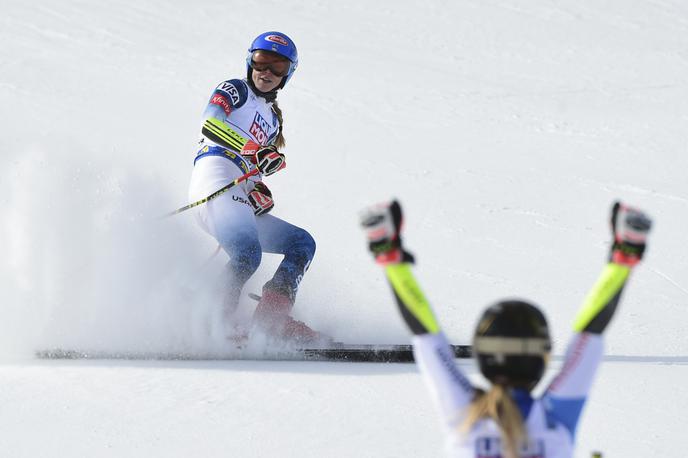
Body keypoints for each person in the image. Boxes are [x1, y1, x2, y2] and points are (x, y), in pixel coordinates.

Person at [359, 200, 652, 457]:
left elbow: (426, 336)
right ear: (542, 357)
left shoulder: (467, 418)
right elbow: (588, 336)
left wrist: (390, 258)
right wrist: (622, 260)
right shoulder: (552, 422)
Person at [188, 31, 325, 345]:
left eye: (278, 67)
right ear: (250, 61)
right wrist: (253, 151)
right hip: (214, 180)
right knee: (248, 254)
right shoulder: (235, 89)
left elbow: (251, 167)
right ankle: (214, 321)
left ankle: (271, 320)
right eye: (263, 61)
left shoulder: (272, 120)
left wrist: (256, 189)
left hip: (235, 191)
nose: (268, 72)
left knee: (302, 244)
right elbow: (210, 123)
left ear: (287, 75)